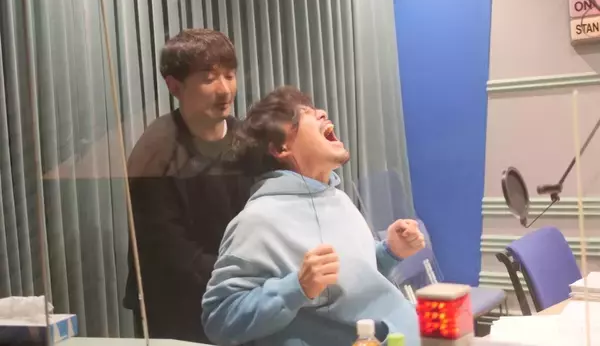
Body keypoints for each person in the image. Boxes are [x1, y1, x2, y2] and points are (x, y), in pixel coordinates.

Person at [202, 86, 425, 346]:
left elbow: (346, 283)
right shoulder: (257, 221)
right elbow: (218, 319)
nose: (322, 113)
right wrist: (297, 288)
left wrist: (389, 252)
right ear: (281, 148)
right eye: (303, 113)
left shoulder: (338, 199)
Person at [123, 29, 252, 343]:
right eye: (209, 79)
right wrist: (243, 277)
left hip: (242, 298)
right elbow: (170, 251)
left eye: (230, 76)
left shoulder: (249, 142)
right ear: (174, 86)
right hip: (177, 308)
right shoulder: (155, 151)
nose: (225, 90)